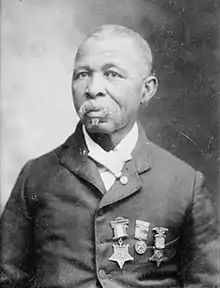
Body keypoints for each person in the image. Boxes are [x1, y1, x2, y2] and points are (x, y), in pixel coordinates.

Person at [0, 24, 219, 288]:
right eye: (82, 74)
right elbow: (8, 278)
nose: (93, 89)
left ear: (147, 90)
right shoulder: (35, 178)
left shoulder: (184, 185)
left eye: (112, 74)